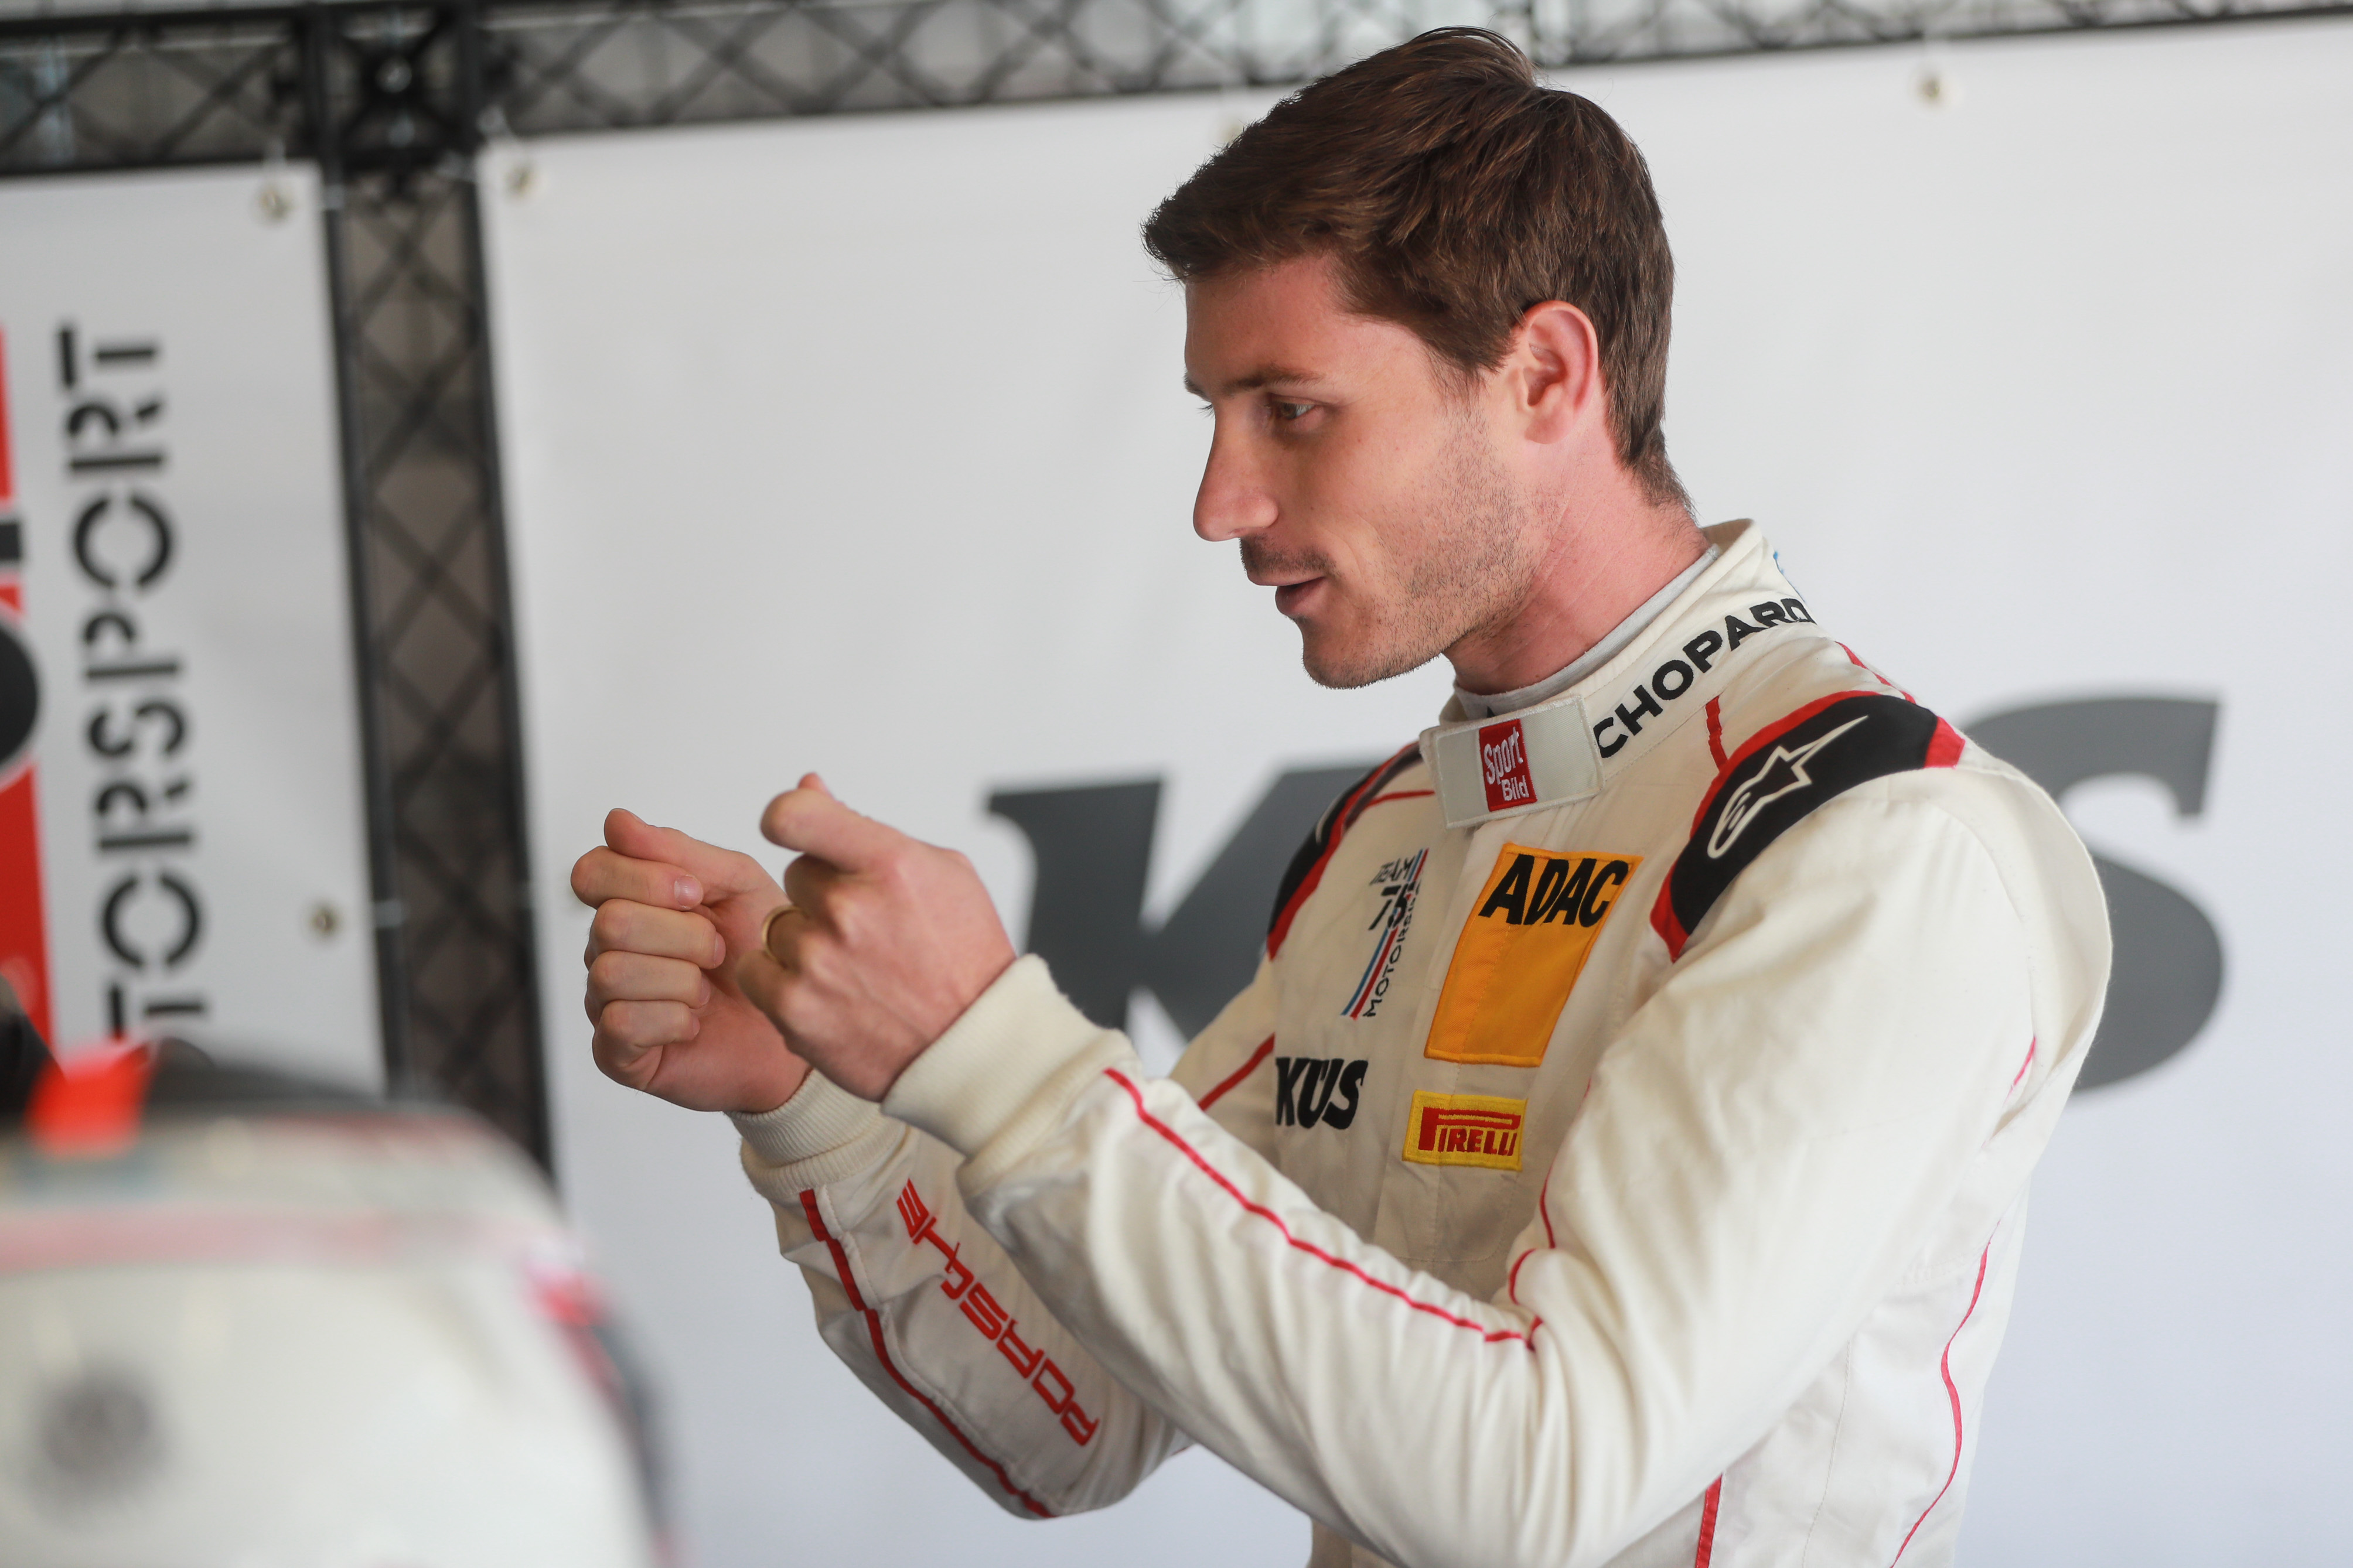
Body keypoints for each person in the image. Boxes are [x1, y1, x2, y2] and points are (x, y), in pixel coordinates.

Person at [569, 29, 2109, 1568]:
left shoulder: (1877, 847)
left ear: (1545, 377)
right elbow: (1077, 1412)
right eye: (1213, 414)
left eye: (1292, 409)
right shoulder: (1398, 837)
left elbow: (1541, 1486)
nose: (1220, 502)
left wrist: (990, 1052)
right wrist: (810, 1101)